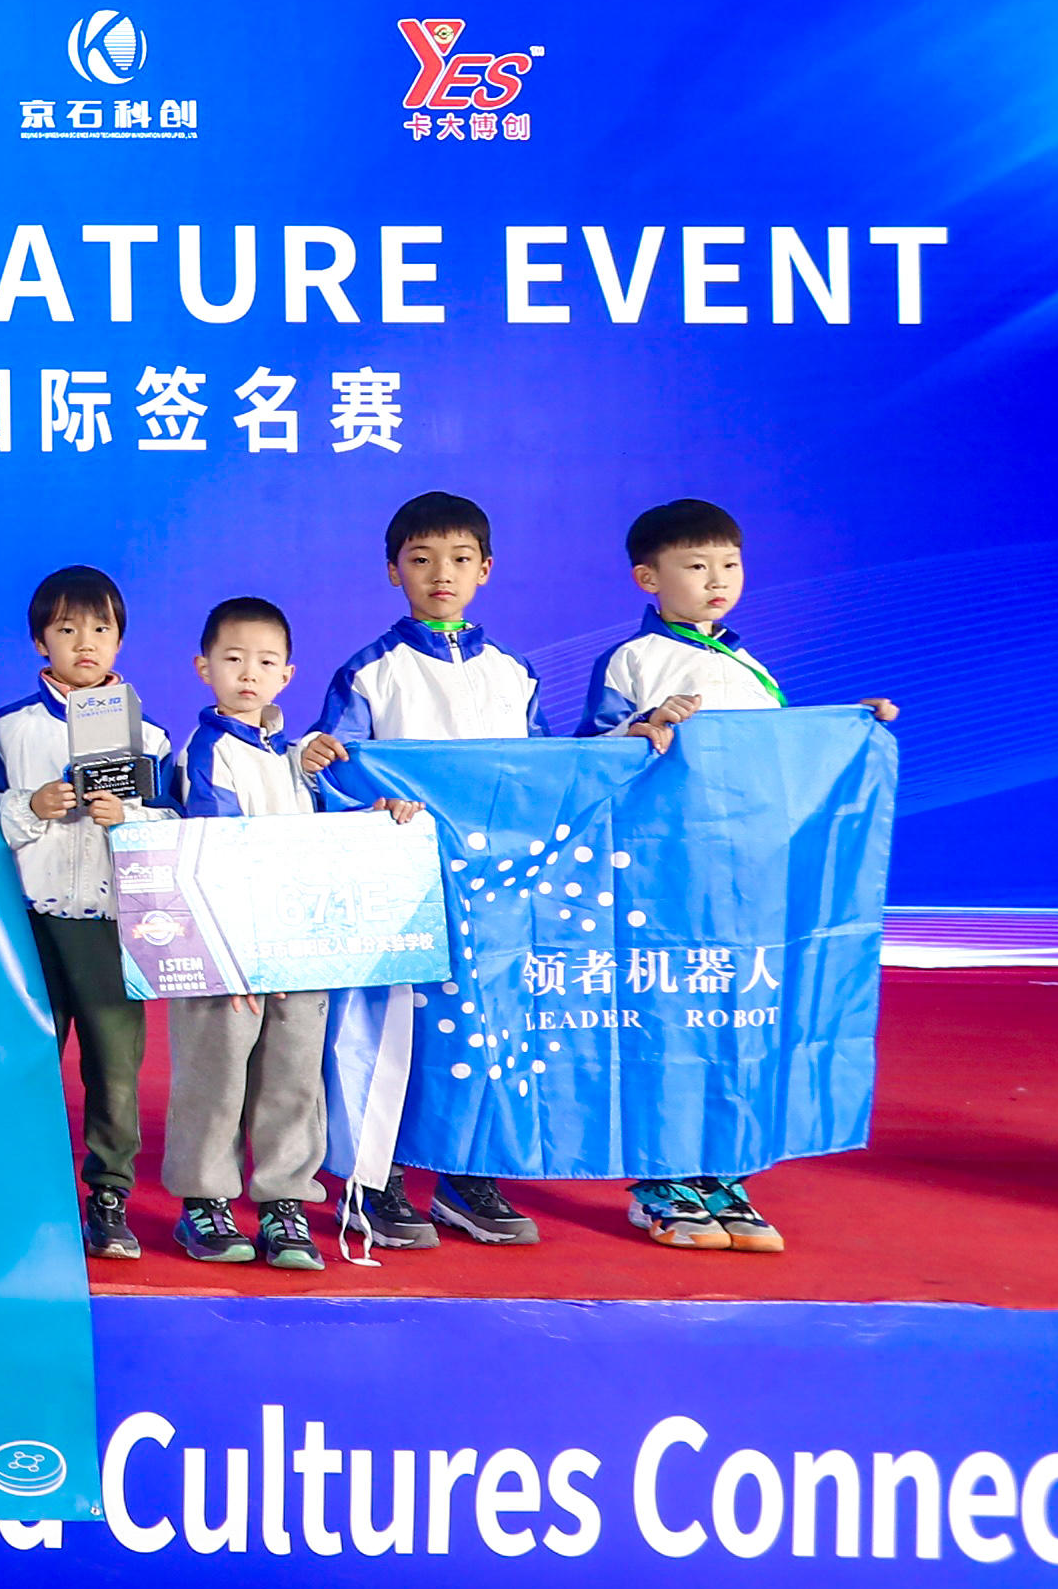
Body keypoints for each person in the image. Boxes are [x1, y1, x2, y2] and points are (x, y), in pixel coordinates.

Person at [582, 496, 899, 1254]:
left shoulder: (749, 665)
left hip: (747, 882)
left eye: (730, 564)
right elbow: (589, 757)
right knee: (667, 1018)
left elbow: (780, 757)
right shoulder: (634, 661)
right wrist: (643, 726)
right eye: (696, 566)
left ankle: (725, 1175)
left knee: (737, 1018)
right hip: (664, 881)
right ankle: (661, 1182)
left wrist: (848, 727)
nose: (718, 580)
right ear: (648, 579)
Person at [310, 491, 542, 1254]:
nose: (442, 573)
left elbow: (544, 774)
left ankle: (466, 1176)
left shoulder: (514, 673)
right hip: (399, 890)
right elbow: (331, 772)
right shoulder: (371, 673)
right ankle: (373, 1179)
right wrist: (332, 774)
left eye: (460, 559)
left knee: (484, 1033)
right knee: (387, 1035)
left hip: (493, 896)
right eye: (421, 559)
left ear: (486, 570)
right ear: (393, 571)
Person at [164, 596, 421, 1272]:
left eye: (266, 662)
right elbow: (218, 852)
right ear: (204, 668)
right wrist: (242, 958)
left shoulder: (296, 755)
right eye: (233, 659)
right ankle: (204, 1202)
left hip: (300, 949)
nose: (249, 673)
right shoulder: (206, 751)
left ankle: (285, 1201)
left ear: (287, 674)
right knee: (215, 1076)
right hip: (228, 954)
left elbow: (331, 830)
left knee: (295, 1076)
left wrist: (381, 816)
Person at [0, 565, 168, 1264]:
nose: (85, 643)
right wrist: (29, 808)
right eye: (67, 629)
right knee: (26, 1060)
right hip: (27, 924)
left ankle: (109, 1195)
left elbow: (175, 828)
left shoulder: (149, 737)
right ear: (41, 641)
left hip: (110, 926)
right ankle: (22, 1192)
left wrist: (130, 819)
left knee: (115, 1069)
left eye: (100, 629)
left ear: (120, 640)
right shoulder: (6, 729)